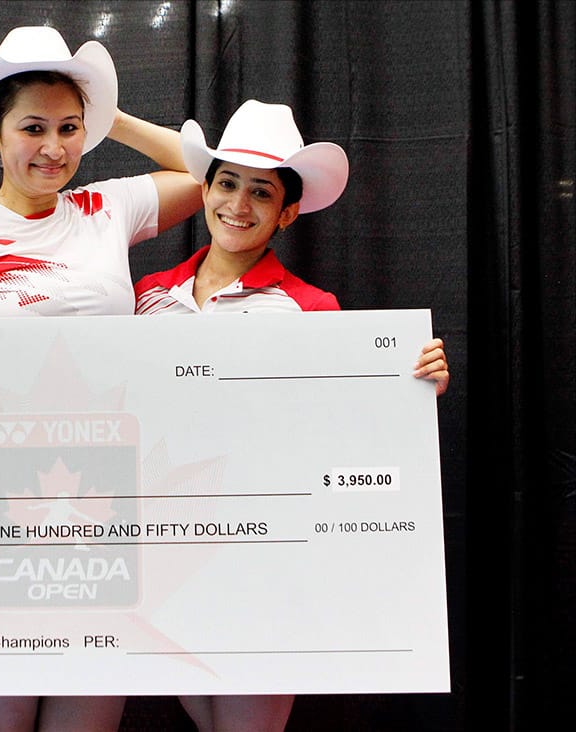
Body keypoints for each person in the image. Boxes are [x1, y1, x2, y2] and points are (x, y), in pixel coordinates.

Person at [0, 25, 201, 732]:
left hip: (105, 502)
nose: (55, 147)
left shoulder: (105, 211)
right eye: (33, 128)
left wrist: (108, 115)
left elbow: (206, 175)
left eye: (69, 128)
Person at [134, 99, 449, 732]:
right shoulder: (146, 296)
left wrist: (411, 391)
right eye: (226, 183)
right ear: (204, 189)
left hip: (267, 560)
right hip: (166, 556)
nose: (237, 206)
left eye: (260, 192)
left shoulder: (312, 307)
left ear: (287, 213)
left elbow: (343, 430)